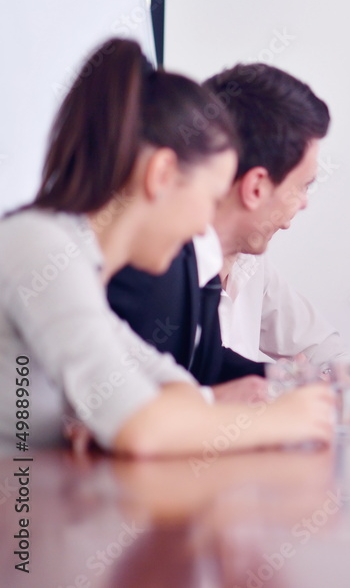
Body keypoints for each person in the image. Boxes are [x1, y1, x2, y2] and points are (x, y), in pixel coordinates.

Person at [0, 39, 332, 455]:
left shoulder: (82, 266)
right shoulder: (40, 246)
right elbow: (141, 427)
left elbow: (173, 388)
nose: (204, 228)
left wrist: (159, 414)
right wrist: (281, 419)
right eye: (211, 198)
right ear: (161, 175)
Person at [107, 63, 338, 400]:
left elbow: (207, 363)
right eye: (303, 186)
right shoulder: (155, 261)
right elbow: (136, 406)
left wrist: (293, 382)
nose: (304, 203)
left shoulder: (204, 262)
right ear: (255, 186)